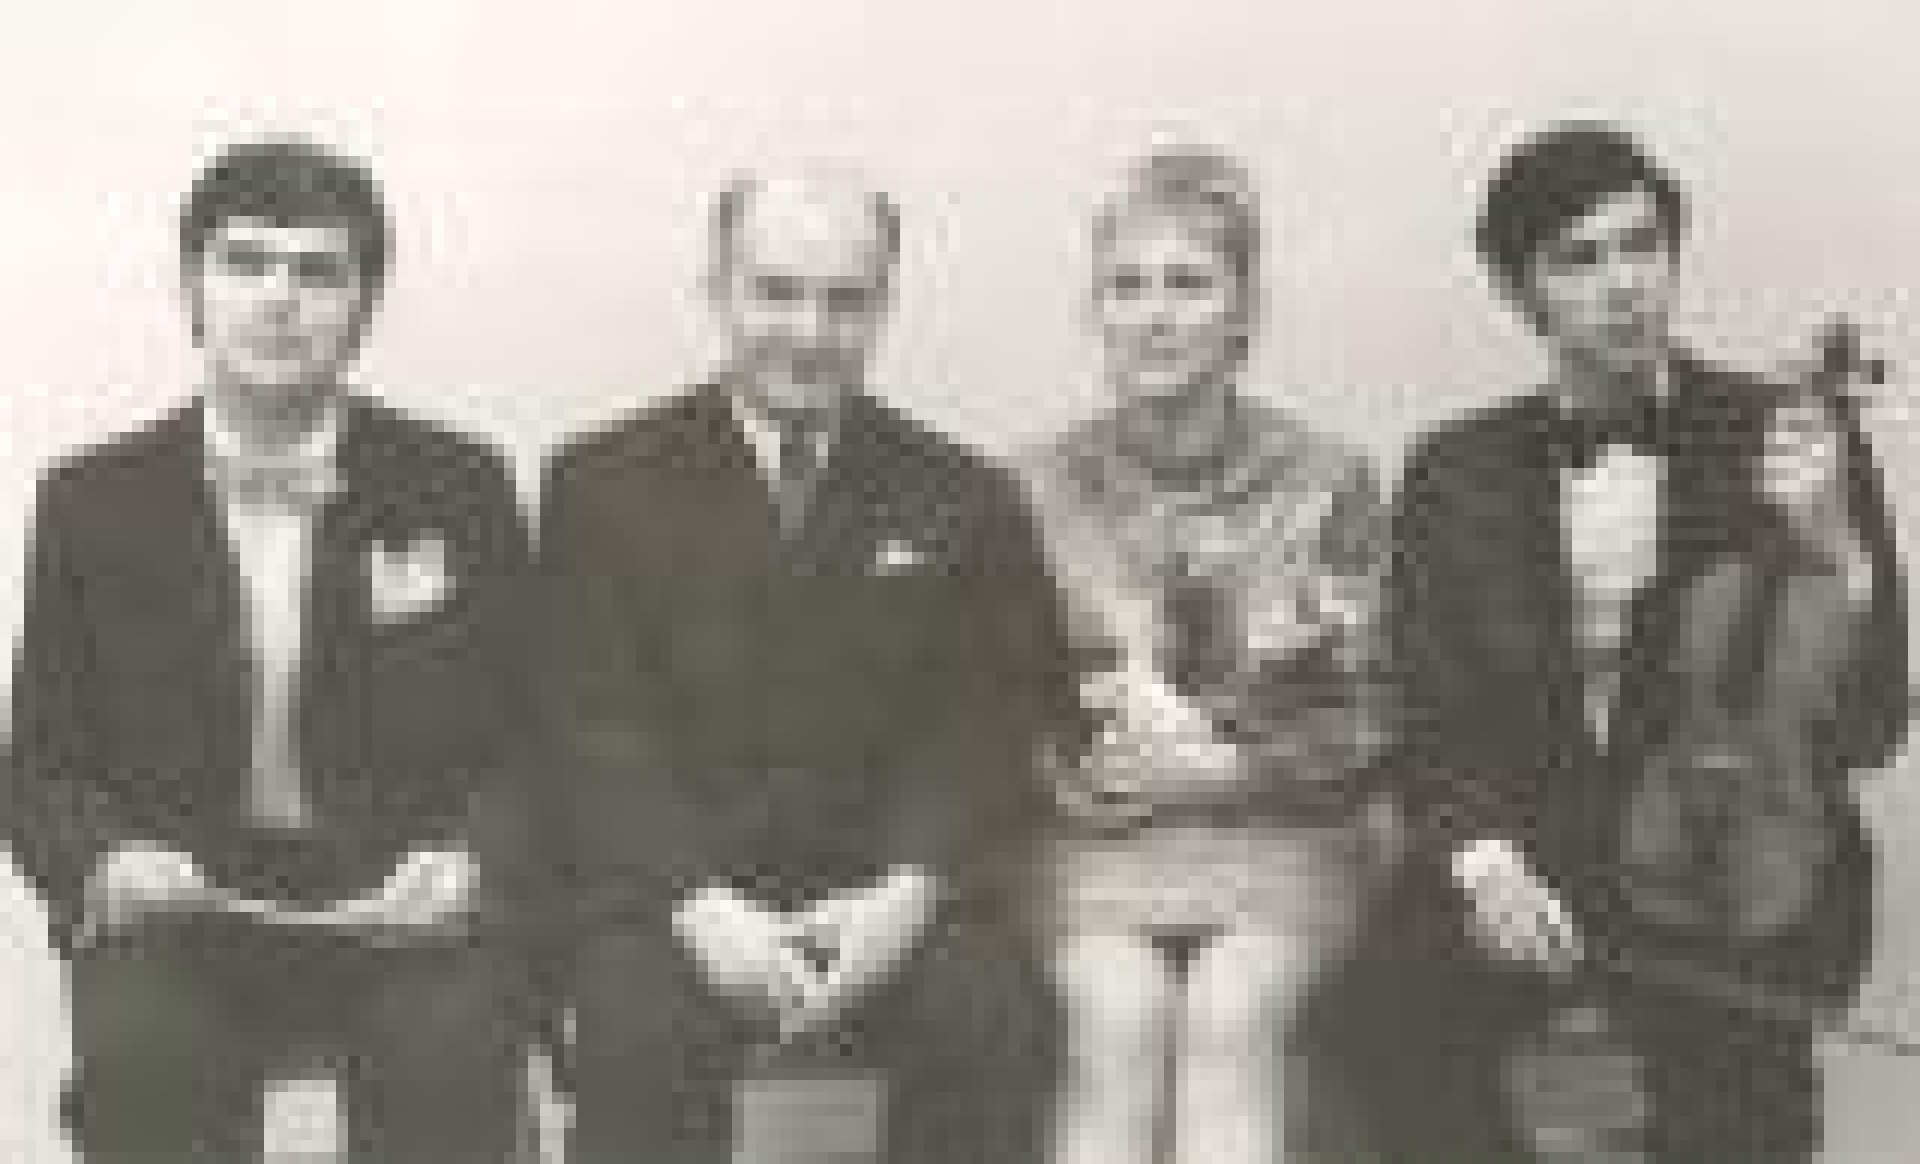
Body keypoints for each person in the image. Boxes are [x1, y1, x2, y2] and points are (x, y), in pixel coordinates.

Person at [1333, 121, 1908, 1163]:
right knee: (1386, 1019)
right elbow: (1433, 710)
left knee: (1740, 1101)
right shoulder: (1454, 470)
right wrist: (1488, 866)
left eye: (1643, 246)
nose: (1624, 285)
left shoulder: (1789, 436)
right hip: (1535, 845)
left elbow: (1872, 724)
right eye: (1579, 259)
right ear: (1520, 292)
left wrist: (1831, 540)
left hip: (1738, 860)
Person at [4, 138, 538, 1163]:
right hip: (186, 912)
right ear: (190, 289)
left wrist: (472, 861)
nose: (278, 298)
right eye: (245, 262)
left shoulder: (462, 483)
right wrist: (105, 861)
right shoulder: (89, 501)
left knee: (453, 1061)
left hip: (400, 906)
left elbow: (524, 739)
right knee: (144, 1070)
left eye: (318, 271)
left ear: (366, 307)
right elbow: (40, 763)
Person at [536, 169, 1077, 1164]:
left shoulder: (963, 494)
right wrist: (698, 904)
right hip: (673, 898)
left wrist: (908, 893)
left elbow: (985, 723)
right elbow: (591, 729)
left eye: (845, 301)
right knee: (634, 1032)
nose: (809, 331)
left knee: (989, 1016)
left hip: (887, 891)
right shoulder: (600, 482)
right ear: (717, 290)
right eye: (776, 293)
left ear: (885, 306)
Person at [1016, 144, 1396, 1164]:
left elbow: (1373, 712)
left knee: (1230, 1012)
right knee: (1117, 1013)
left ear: (1244, 311)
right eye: (1127, 286)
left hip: (1285, 837)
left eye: (1189, 283)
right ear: (1094, 310)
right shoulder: (1032, 489)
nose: (1156, 314)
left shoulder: (1329, 480)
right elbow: (990, 712)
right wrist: (1098, 775)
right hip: (1092, 844)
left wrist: (1235, 768)